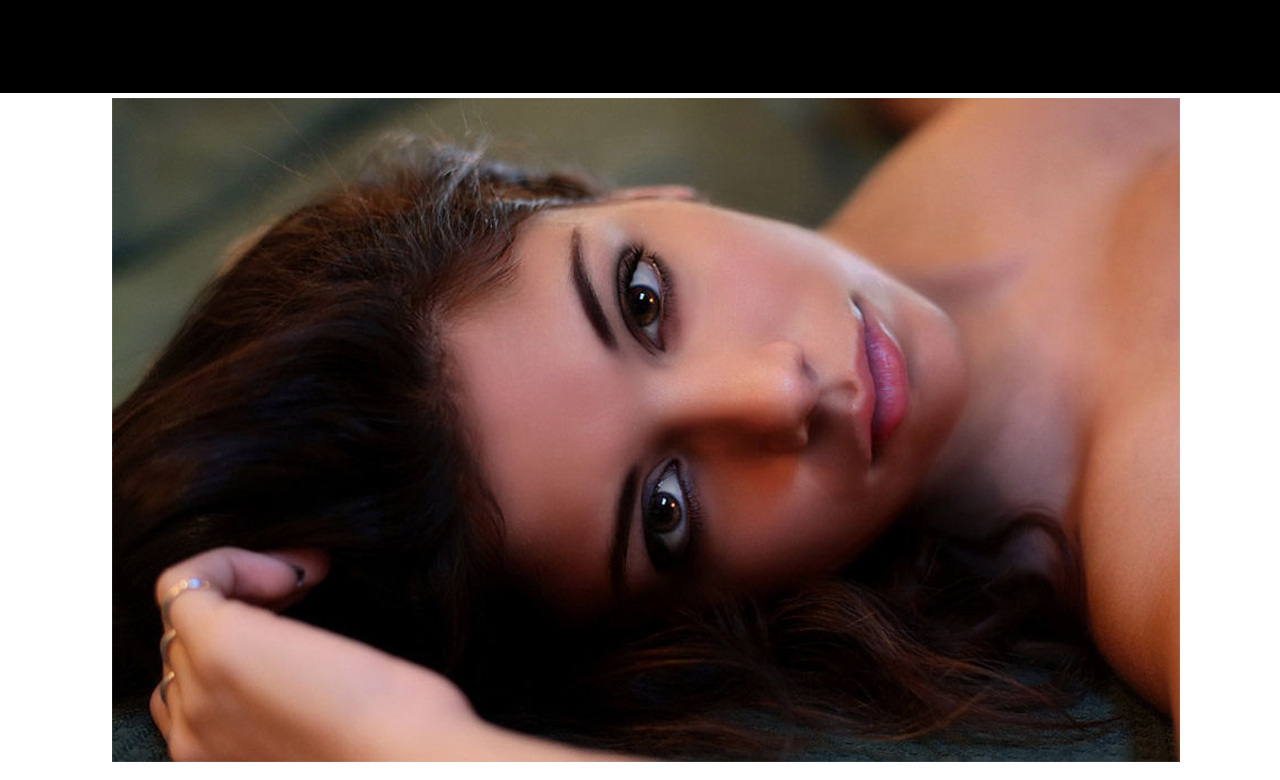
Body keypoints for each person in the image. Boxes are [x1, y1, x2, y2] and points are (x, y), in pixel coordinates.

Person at [114, 98, 1178, 760]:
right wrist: (402, 746)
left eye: (641, 298)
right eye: (666, 511)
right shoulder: (1163, 509)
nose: (780, 393)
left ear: (640, 194)